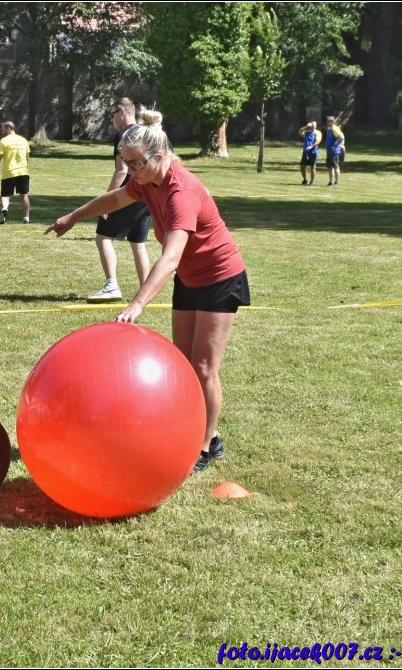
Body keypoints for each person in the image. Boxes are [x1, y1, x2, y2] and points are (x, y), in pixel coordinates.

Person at [46, 107, 250, 474]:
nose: (131, 171)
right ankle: (205, 434)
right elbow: (114, 200)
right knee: (183, 364)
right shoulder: (146, 180)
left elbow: (171, 257)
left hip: (220, 277)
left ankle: (205, 447)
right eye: (127, 164)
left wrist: (138, 303)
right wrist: (74, 216)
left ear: (159, 157)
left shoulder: (181, 192)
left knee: (203, 366)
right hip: (190, 278)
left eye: (136, 164)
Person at [87, 98, 151, 304]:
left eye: (112, 114)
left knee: (103, 236)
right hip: (147, 194)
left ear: (123, 112)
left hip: (129, 194)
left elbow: (121, 170)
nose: (111, 119)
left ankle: (111, 285)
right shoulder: (145, 133)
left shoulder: (124, 135)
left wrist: (107, 200)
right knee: (138, 243)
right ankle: (147, 290)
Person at [0, 121, 31, 224]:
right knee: (24, 195)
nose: (2, 130)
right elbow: (27, 157)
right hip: (23, 172)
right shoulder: (23, 140)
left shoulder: (4, 141)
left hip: (9, 173)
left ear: (8, 128)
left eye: (3, 128)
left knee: (5, 196)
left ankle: (4, 209)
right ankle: (26, 218)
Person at [298, 120, 322, 186]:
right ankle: (305, 180)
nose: (313, 126)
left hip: (313, 152)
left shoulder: (318, 133)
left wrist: (311, 146)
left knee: (313, 167)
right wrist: (306, 126)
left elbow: (318, 141)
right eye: (312, 125)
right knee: (302, 166)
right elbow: (300, 132)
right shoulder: (306, 132)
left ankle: (312, 181)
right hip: (305, 152)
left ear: (316, 126)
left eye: (314, 125)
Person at [325, 116, 346, 187]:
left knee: (336, 167)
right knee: (330, 167)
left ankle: (336, 182)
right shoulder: (329, 128)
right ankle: (330, 182)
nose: (328, 122)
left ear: (333, 121)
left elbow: (341, 137)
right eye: (328, 121)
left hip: (334, 152)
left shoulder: (335, 128)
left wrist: (336, 145)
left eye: (330, 121)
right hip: (329, 151)